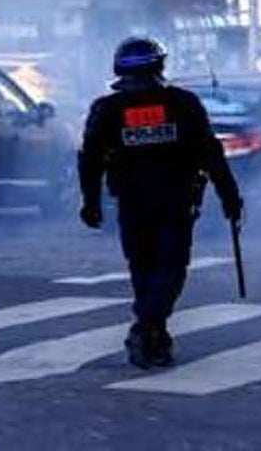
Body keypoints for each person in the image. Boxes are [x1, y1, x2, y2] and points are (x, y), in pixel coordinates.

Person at [78, 36, 243, 369]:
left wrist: (90, 202)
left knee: (144, 269)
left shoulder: (108, 110)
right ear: (160, 66)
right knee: (169, 269)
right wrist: (229, 195)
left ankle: (151, 332)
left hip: (136, 204)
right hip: (174, 202)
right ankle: (150, 330)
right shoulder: (182, 103)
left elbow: (90, 160)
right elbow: (210, 153)